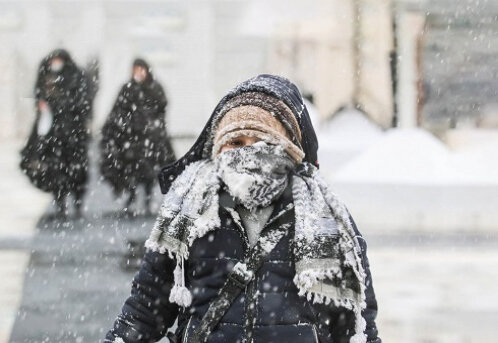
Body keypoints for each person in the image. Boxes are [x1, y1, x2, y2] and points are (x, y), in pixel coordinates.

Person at [105, 75, 381, 343]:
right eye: (235, 143)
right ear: (218, 147)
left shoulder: (324, 216)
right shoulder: (191, 208)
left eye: (263, 142)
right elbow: (145, 309)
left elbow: (357, 323)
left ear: (290, 149)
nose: (247, 153)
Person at [20, 49, 93, 218]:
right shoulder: (49, 76)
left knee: (76, 173)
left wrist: (59, 105)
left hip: (73, 135)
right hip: (55, 135)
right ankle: (61, 205)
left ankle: (77, 205)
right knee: (56, 172)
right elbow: (39, 95)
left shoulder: (76, 77)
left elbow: (81, 104)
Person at [100, 58, 175, 215]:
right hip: (132, 139)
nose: (138, 74)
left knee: (149, 173)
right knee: (131, 171)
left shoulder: (154, 88)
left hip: (150, 139)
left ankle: (147, 201)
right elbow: (117, 110)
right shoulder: (128, 89)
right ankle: (131, 198)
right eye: (135, 70)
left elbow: (161, 107)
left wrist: (151, 125)